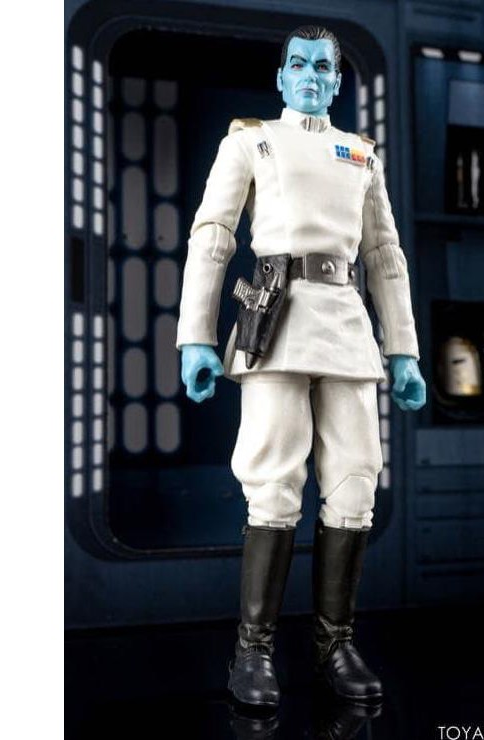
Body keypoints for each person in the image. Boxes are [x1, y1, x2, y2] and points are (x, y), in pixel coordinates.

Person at [175, 25, 426, 707]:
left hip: (346, 327)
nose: (310, 75)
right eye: (298, 63)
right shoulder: (250, 142)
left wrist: (403, 351)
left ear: (337, 82)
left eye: (322, 66)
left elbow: (384, 256)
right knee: (273, 482)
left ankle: (334, 645)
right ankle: (253, 650)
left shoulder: (361, 155)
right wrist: (196, 336)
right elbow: (212, 236)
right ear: (281, 76)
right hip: (274, 322)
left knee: (354, 483)